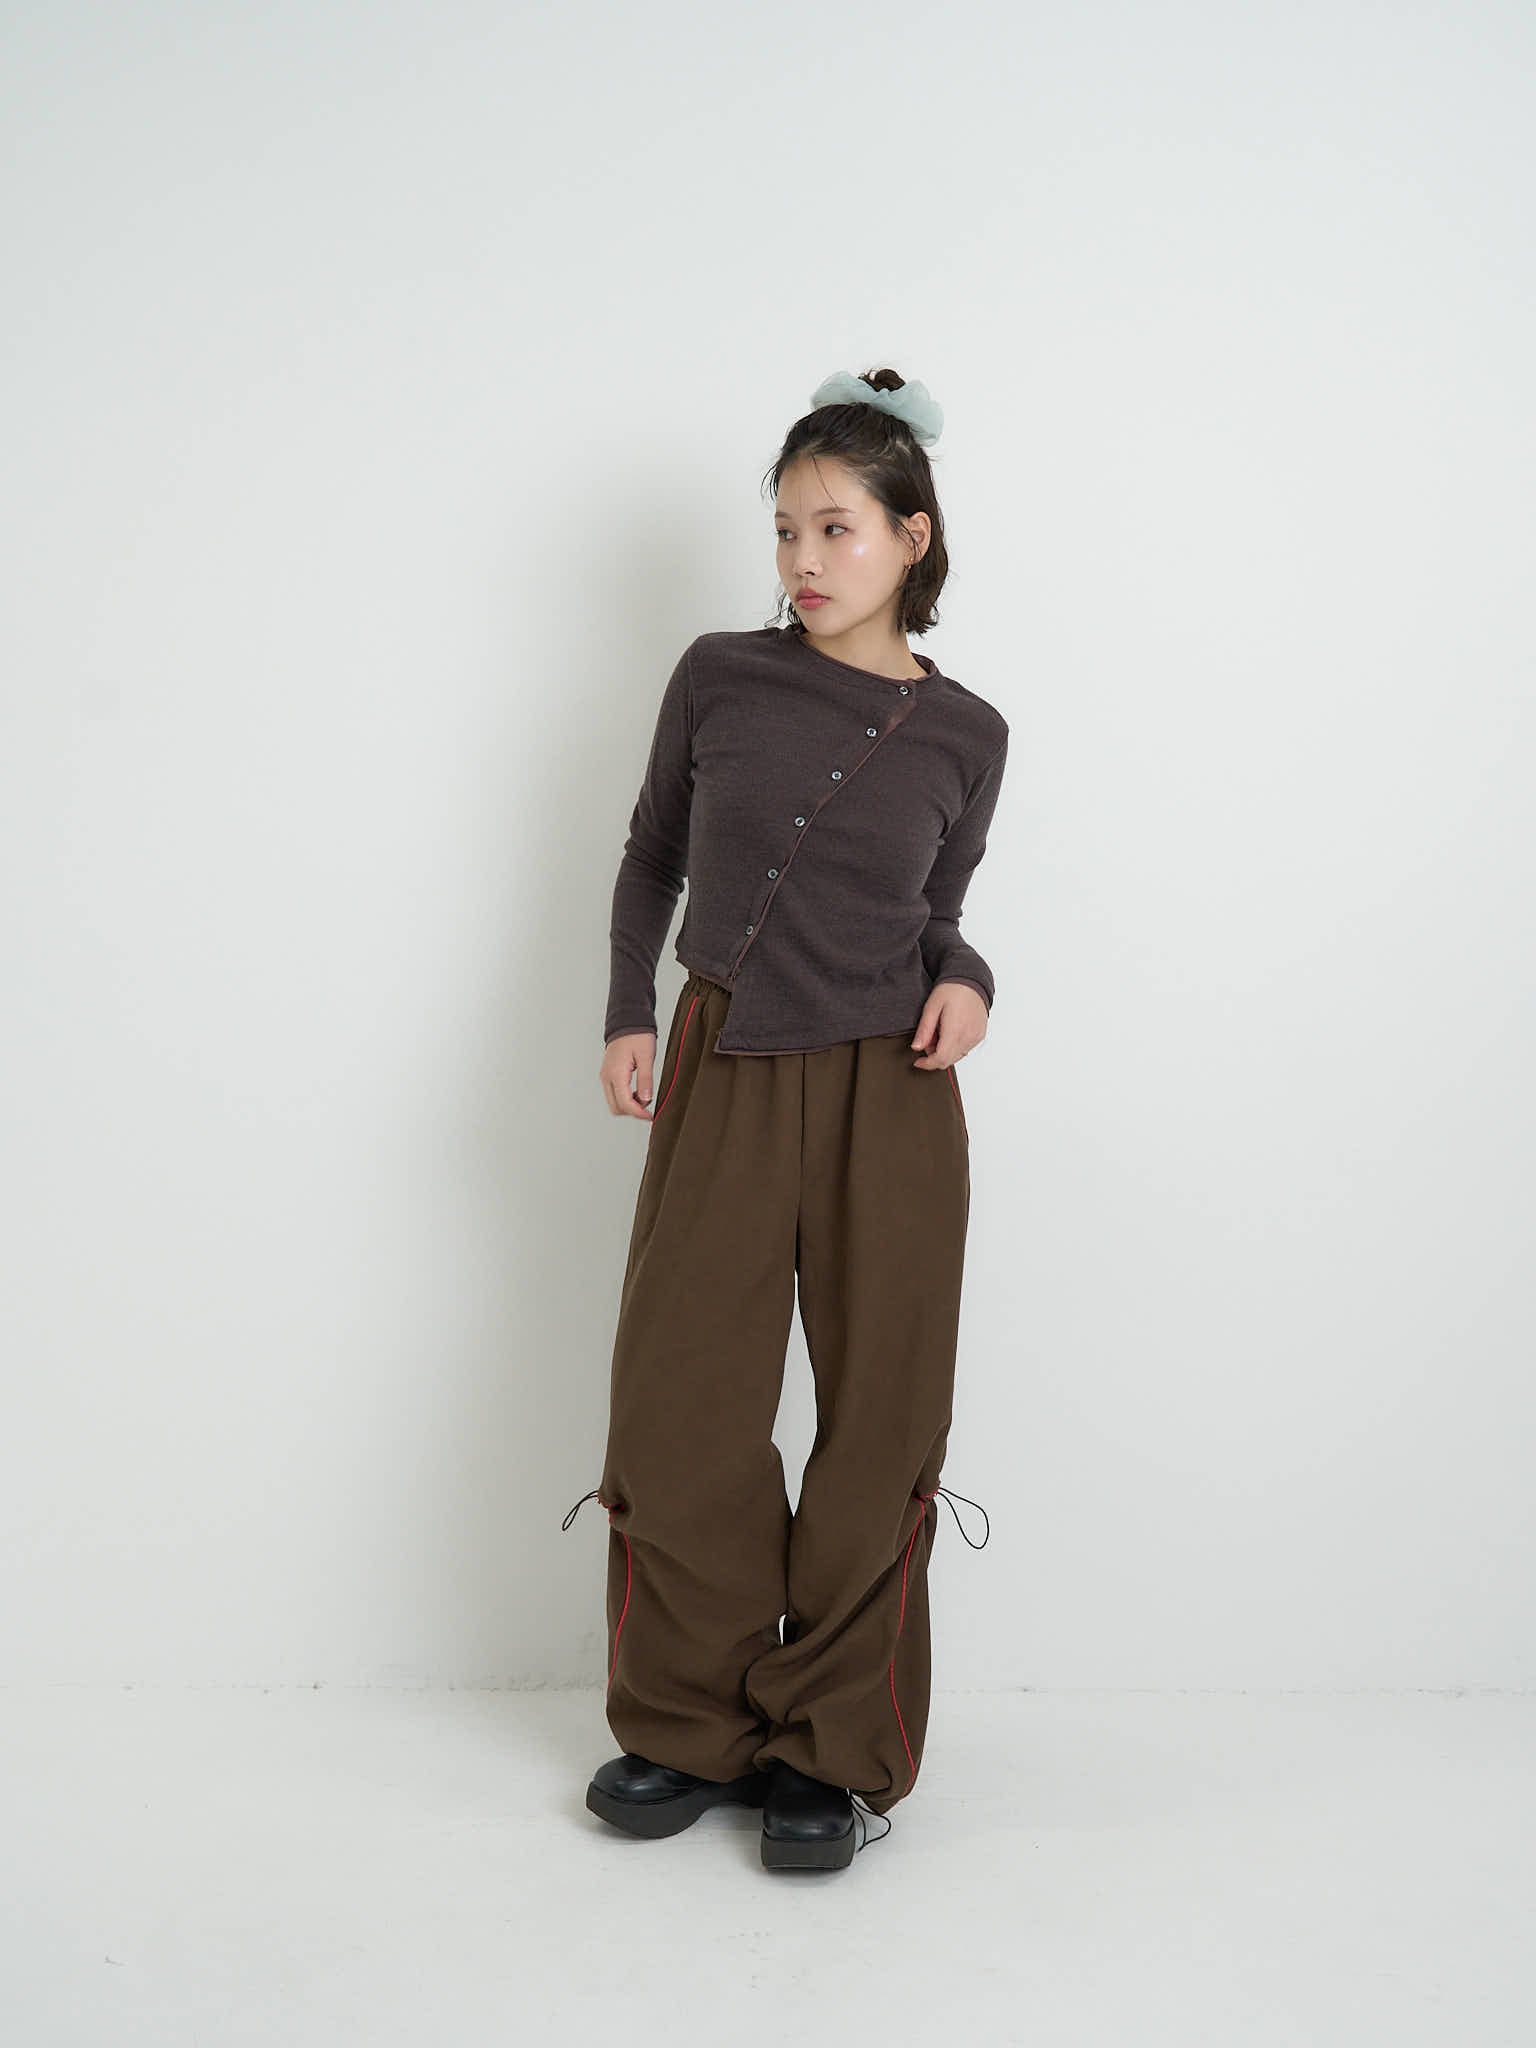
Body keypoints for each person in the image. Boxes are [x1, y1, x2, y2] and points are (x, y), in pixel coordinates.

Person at [562, 367, 1004, 1871]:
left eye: (837, 528)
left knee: (880, 1417)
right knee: (683, 1402)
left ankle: (831, 1745)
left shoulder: (969, 732)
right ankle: (687, 1722)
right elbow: (651, 855)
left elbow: (937, 917)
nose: (803, 560)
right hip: (727, 1064)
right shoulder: (718, 677)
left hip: (894, 1090)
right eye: (785, 530)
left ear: (912, 538)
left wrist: (971, 977)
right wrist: (629, 1010)